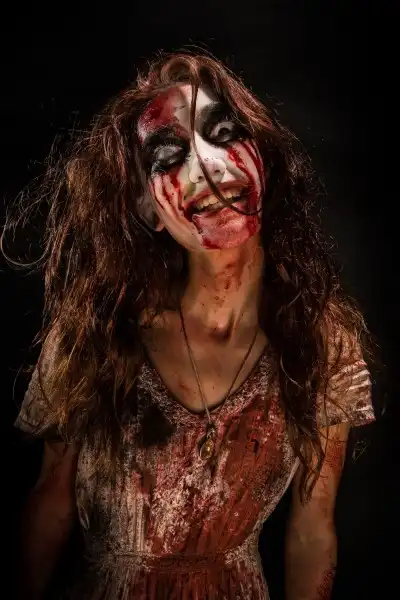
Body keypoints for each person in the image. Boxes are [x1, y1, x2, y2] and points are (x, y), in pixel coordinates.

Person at [5, 51, 375, 600]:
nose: (208, 167)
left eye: (224, 133)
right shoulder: (96, 334)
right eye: (168, 155)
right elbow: (50, 504)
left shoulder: (323, 341)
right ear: (146, 207)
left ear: (261, 158)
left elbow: (312, 530)